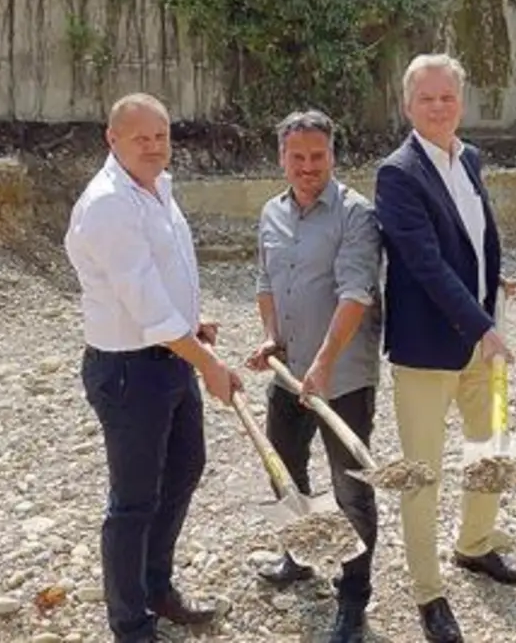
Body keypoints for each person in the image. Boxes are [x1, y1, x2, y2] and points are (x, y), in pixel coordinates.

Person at [63, 92, 244, 643]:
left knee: (184, 470)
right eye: (140, 137)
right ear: (111, 139)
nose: (153, 146)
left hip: (169, 357)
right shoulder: (109, 204)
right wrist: (208, 361)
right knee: (134, 499)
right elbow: (140, 300)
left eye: (161, 136)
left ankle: (155, 587)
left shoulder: (157, 188)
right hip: (128, 371)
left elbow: (160, 277)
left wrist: (193, 323)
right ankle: (130, 623)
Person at [374, 53, 516, 643]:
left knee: (489, 449)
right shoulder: (397, 173)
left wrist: (495, 285)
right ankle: (428, 593)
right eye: (427, 99)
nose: (438, 107)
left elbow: (473, 241)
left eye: (448, 97)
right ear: (407, 105)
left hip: (479, 336)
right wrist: (482, 324)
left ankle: (475, 544)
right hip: (428, 349)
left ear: (461, 101)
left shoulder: (470, 159)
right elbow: (426, 264)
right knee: (422, 473)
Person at [242, 109, 384, 643]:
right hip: (288, 374)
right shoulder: (271, 214)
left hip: (341, 377)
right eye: (297, 157)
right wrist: (272, 338)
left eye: (317, 156)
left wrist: (323, 364)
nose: (307, 167)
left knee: (351, 490)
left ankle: (353, 597)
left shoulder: (355, 215)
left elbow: (355, 293)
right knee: (285, 473)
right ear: (282, 158)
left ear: (333, 156)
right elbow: (265, 281)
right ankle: (297, 557)